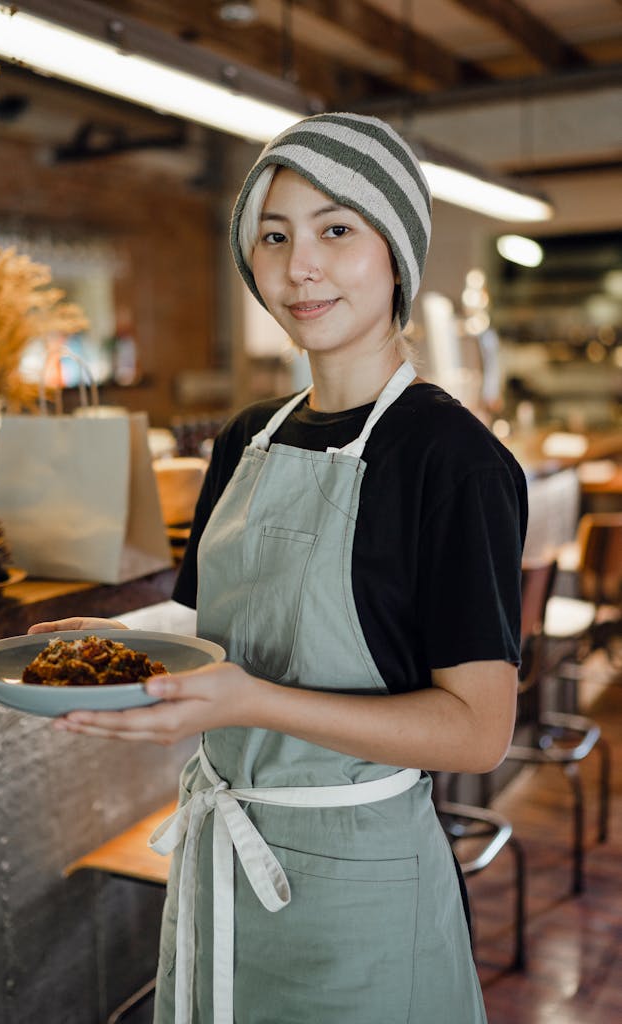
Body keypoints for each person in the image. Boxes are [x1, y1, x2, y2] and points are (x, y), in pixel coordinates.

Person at [33, 113, 527, 1024]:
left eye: (336, 228)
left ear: (396, 253)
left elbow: (476, 733)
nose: (301, 264)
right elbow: (207, 629)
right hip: (223, 863)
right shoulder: (246, 438)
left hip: (360, 887)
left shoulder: (451, 459)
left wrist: (250, 702)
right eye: (273, 235)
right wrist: (117, 643)